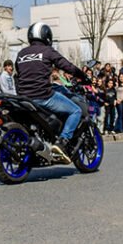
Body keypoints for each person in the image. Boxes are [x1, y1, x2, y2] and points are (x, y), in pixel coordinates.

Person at [14, 22, 86, 160]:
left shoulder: (21, 53)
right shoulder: (48, 51)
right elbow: (67, 66)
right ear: (46, 36)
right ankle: (63, 142)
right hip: (43, 96)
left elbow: (19, 72)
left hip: (24, 98)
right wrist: (83, 76)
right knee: (75, 110)